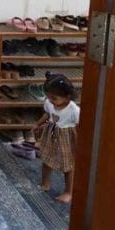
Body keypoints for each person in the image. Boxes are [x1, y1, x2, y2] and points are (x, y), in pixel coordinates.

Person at [33, 73, 79, 203]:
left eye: (54, 98)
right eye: (48, 97)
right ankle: (45, 183)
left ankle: (69, 192)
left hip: (66, 138)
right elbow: (47, 114)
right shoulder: (50, 103)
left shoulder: (74, 110)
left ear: (67, 97)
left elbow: (79, 128)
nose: (50, 101)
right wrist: (38, 124)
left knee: (68, 166)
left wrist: (78, 146)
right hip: (51, 133)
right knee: (46, 159)